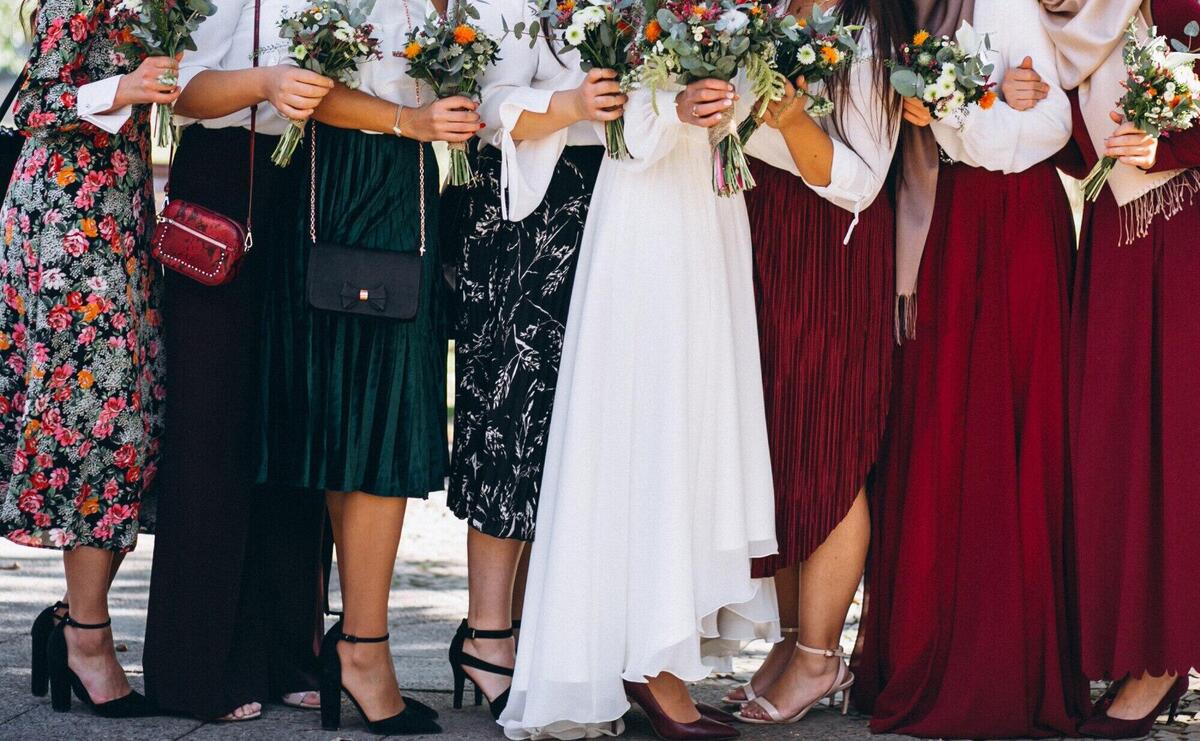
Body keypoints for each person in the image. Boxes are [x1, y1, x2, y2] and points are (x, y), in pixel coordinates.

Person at [497, 41, 777, 741]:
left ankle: (663, 645)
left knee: (696, 414)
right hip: (646, 206)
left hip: (707, 202)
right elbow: (595, 93)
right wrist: (667, 105)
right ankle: (642, 659)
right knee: (651, 415)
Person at [851, 0, 1090, 736]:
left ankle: (1015, 660)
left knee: (1023, 426)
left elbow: (1047, 125)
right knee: (939, 434)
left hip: (1022, 220)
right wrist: (961, 98)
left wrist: (988, 97)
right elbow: (917, 101)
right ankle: (925, 645)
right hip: (945, 218)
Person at [253, 0, 473, 732]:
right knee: (376, 426)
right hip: (347, 186)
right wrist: (412, 122)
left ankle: (357, 640)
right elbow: (303, 81)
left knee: (379, 427)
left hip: (407, 189)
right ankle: (364, 647)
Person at [140, 0, 335, 723]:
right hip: (224, 175)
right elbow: (180, 89)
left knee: (294, 417)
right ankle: (196, 665)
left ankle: (290, 649)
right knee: (213, 420)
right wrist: (263, 82)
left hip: (313, 180)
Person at [439, 0, 620, 720]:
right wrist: (573, 103)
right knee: (508, 418)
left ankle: (540, 630)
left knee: (573, 430)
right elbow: (481, 101)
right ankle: (487, 632)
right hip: (524, 212)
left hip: (616, 207)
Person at [724, 0, 905, 723]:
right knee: (782, 443)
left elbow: (864, 179)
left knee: (828, 446)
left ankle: (821, 654)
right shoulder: (759, 11)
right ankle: (794, 637)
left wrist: (792, 120)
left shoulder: (870, 28)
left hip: (834, 243)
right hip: (764, 226)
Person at [0, 0, 175, 718]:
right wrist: (127, 89)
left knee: (130, 413)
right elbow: (32, 101)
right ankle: (87, 638)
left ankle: (80, 620)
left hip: (119, 207)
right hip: (67, 214)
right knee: (99, 420)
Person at [1041, 0, 1198, 736]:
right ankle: (1144, 636)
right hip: (1117, 237)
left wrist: (1172, 145)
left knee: (1180, 441)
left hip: (1188, 233)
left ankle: (1165, 656)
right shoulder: (1079, 18)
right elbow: (1078, 149)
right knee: (1121, 441)